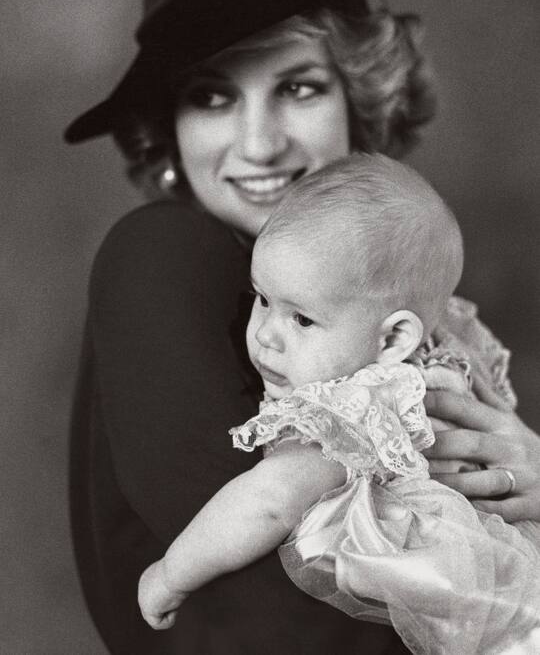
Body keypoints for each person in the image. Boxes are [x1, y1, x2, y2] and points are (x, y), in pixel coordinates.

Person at [65, 0, 540, 655]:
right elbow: (275, 614)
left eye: (297, 87)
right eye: (212, 95)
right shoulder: (164, 255)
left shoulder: (402, 304)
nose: (258, 146)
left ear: (361, 95)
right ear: (170, 127)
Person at [137, 154, 540, 654]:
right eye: (262, 299)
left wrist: (172, 573)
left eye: (301, 320)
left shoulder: (352, 410)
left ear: (393, 338)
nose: (266, 335)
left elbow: (268, 502)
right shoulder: (440, 362)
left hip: (457, 603)